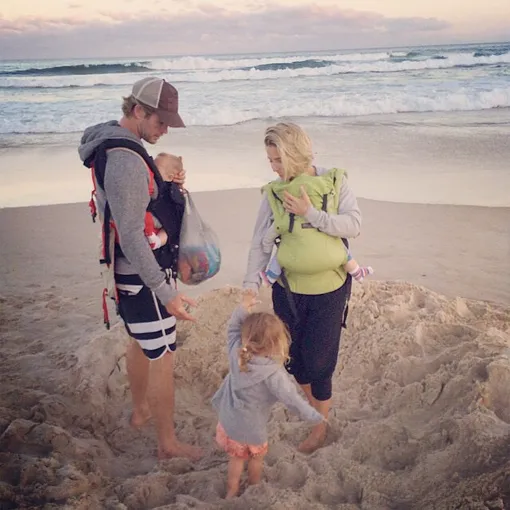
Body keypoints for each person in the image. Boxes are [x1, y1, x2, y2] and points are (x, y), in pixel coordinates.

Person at [78, 77, 201, 460]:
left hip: (130, 275)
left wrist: (162, 182)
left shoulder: (112, 141)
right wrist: (166, 292)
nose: (165, 130)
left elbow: (132, 208)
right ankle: (168, 444)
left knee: (140, 343)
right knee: (163, 355)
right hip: (142, 276)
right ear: (138, 111)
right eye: (160, 121)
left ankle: (141, 411)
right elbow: (132, 234)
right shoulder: (126, 161)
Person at [243, 122, 362, 454]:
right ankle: (316, 409)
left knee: (320, 364)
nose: (273, 168)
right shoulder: (275, 193)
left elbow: (354, 224)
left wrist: (312, 214)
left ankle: (319, 426)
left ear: (295, 155)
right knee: (293, 361)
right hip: (288, 291)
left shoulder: (333, 182)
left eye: (278, 160)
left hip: (330, 290)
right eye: (270, 160)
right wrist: (250, 284)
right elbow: (259, 243)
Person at [212, 290, 324, 499]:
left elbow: (233, 327)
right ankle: (254, 484)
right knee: (256, 458)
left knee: (236, 459)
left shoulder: (236, 351)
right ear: (275, 344)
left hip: (230, 421)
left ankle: (232, 489)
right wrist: (312, 414)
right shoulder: (273, 374)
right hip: (252, 428)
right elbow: (291, 399)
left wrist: (244, 306)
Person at [259, 222, 373, 286]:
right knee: (343, 252)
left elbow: (273, 230)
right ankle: (357, 273)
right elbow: (345, 227)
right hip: (323, 249)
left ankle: (270, 277)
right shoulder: (323, 211)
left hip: (297, 250)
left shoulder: (287, 216)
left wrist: (267, 246)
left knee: (282, 253)